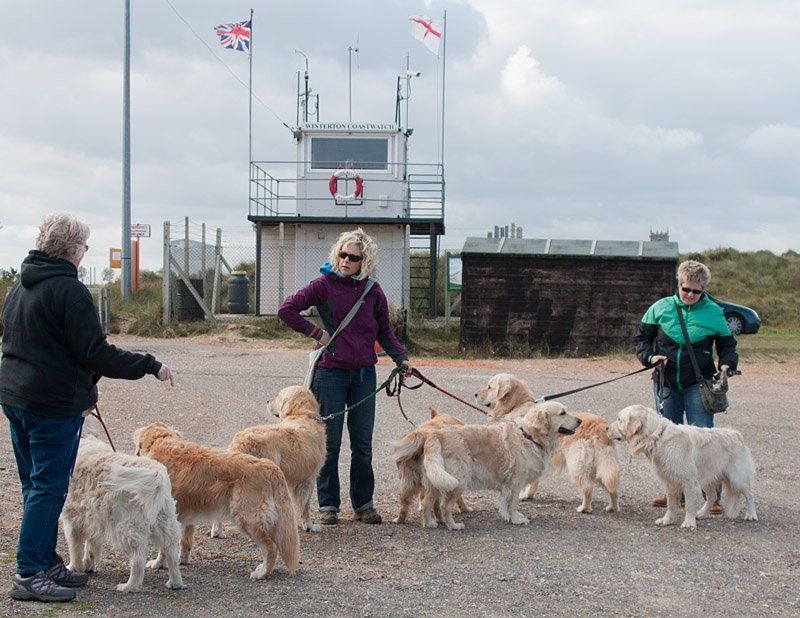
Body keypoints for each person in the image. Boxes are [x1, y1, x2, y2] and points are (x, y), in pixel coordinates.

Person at [0, 213, 175, 603]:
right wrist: (149, 364)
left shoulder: (20, 287)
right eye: (85, 247)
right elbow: (95, 352)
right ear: (74, 250)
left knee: (35, 484)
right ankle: (29, 572)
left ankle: (45, 561)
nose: (85, 253)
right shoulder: (69, 290)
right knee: (48, 486)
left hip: (16, 398)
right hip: (51, 405)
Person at [278, 228, 412, 526]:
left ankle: (363, 504)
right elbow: (287, 309)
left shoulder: (372, 290)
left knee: (362, 444)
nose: (346, 261)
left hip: (363, 373)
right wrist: (316, 333)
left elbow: (384, 331)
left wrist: (401, 358)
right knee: (331, 442)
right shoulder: (323, 285)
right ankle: (329, 506)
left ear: (364, 261)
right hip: (330, 375)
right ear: (336, 253)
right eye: (342, 254)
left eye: (353, 257)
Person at [634, 259, 738, 513]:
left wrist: (726, 365)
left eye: (696, 291)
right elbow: (642, 339)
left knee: (703, 439)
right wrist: (649, 358)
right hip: (666, 383)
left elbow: (727, 345)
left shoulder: (713, 312)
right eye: (686, 289)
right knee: (666, 440)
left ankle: (710, 497)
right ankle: (674, 494)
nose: (690, 295)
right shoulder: (660, 308)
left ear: (703, 289)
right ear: (678, 285)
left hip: (698, 385)